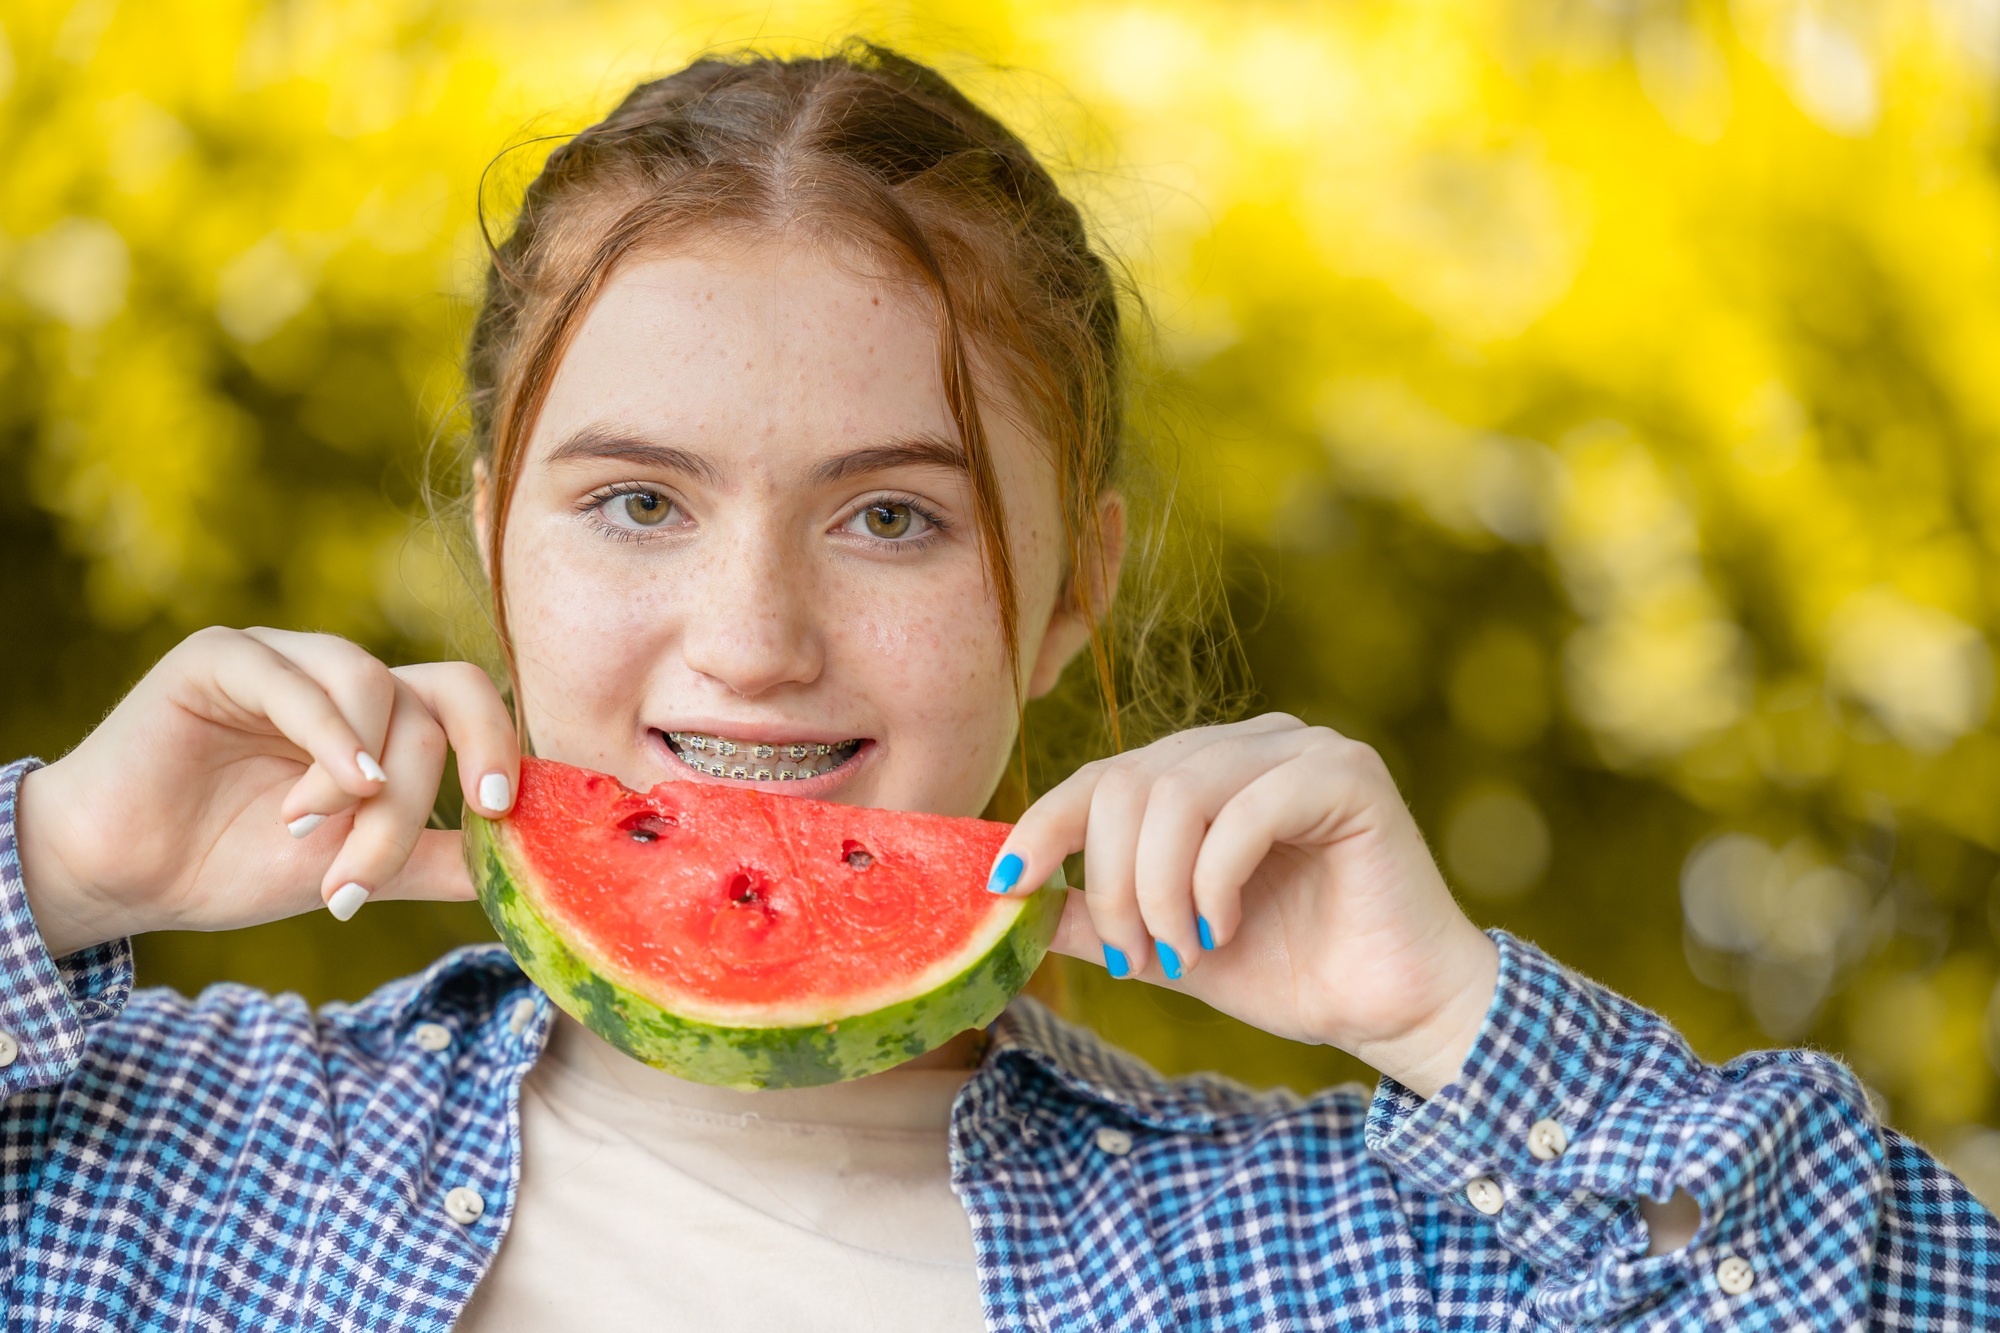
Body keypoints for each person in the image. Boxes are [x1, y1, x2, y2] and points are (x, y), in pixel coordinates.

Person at [1, 42, 1993, 1332]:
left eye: (891, 519)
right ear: (494, 534)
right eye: (632, 502)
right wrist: (56, 864)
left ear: (1065, 595)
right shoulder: (176, 1153)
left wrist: (1449, 1018)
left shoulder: (1332, 1251)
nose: (755, 636)